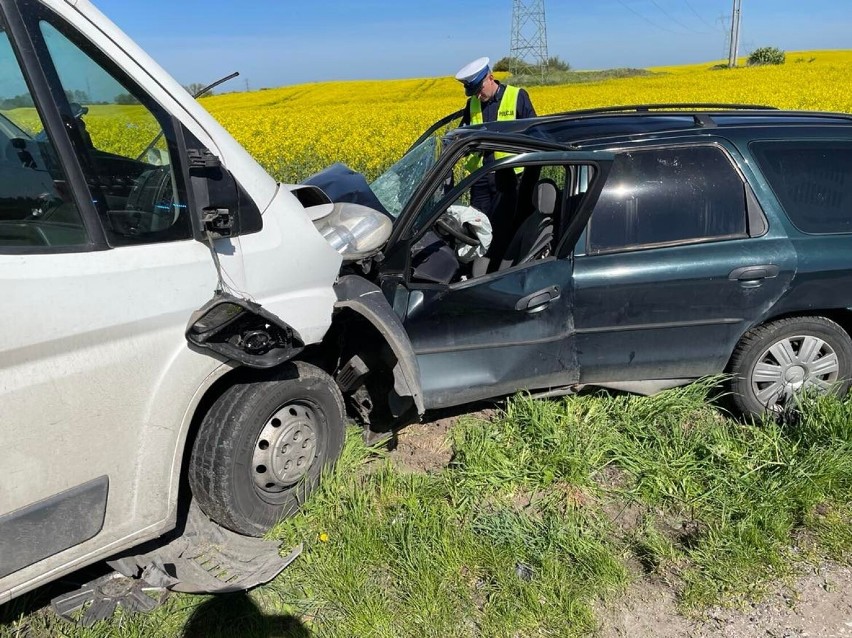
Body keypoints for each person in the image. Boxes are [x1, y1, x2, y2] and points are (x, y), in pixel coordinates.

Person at [454, 56, 537, 260]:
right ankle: (478, 268)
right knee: (478, 225)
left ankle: (500, 268)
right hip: (480, 177)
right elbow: (464, 134)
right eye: (472, 91)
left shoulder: (517, 96)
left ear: (490, 78)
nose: (478, 95)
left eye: (479, 89)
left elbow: (535, 134)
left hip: (508, 176)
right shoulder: (472, 103)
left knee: (505, 228)